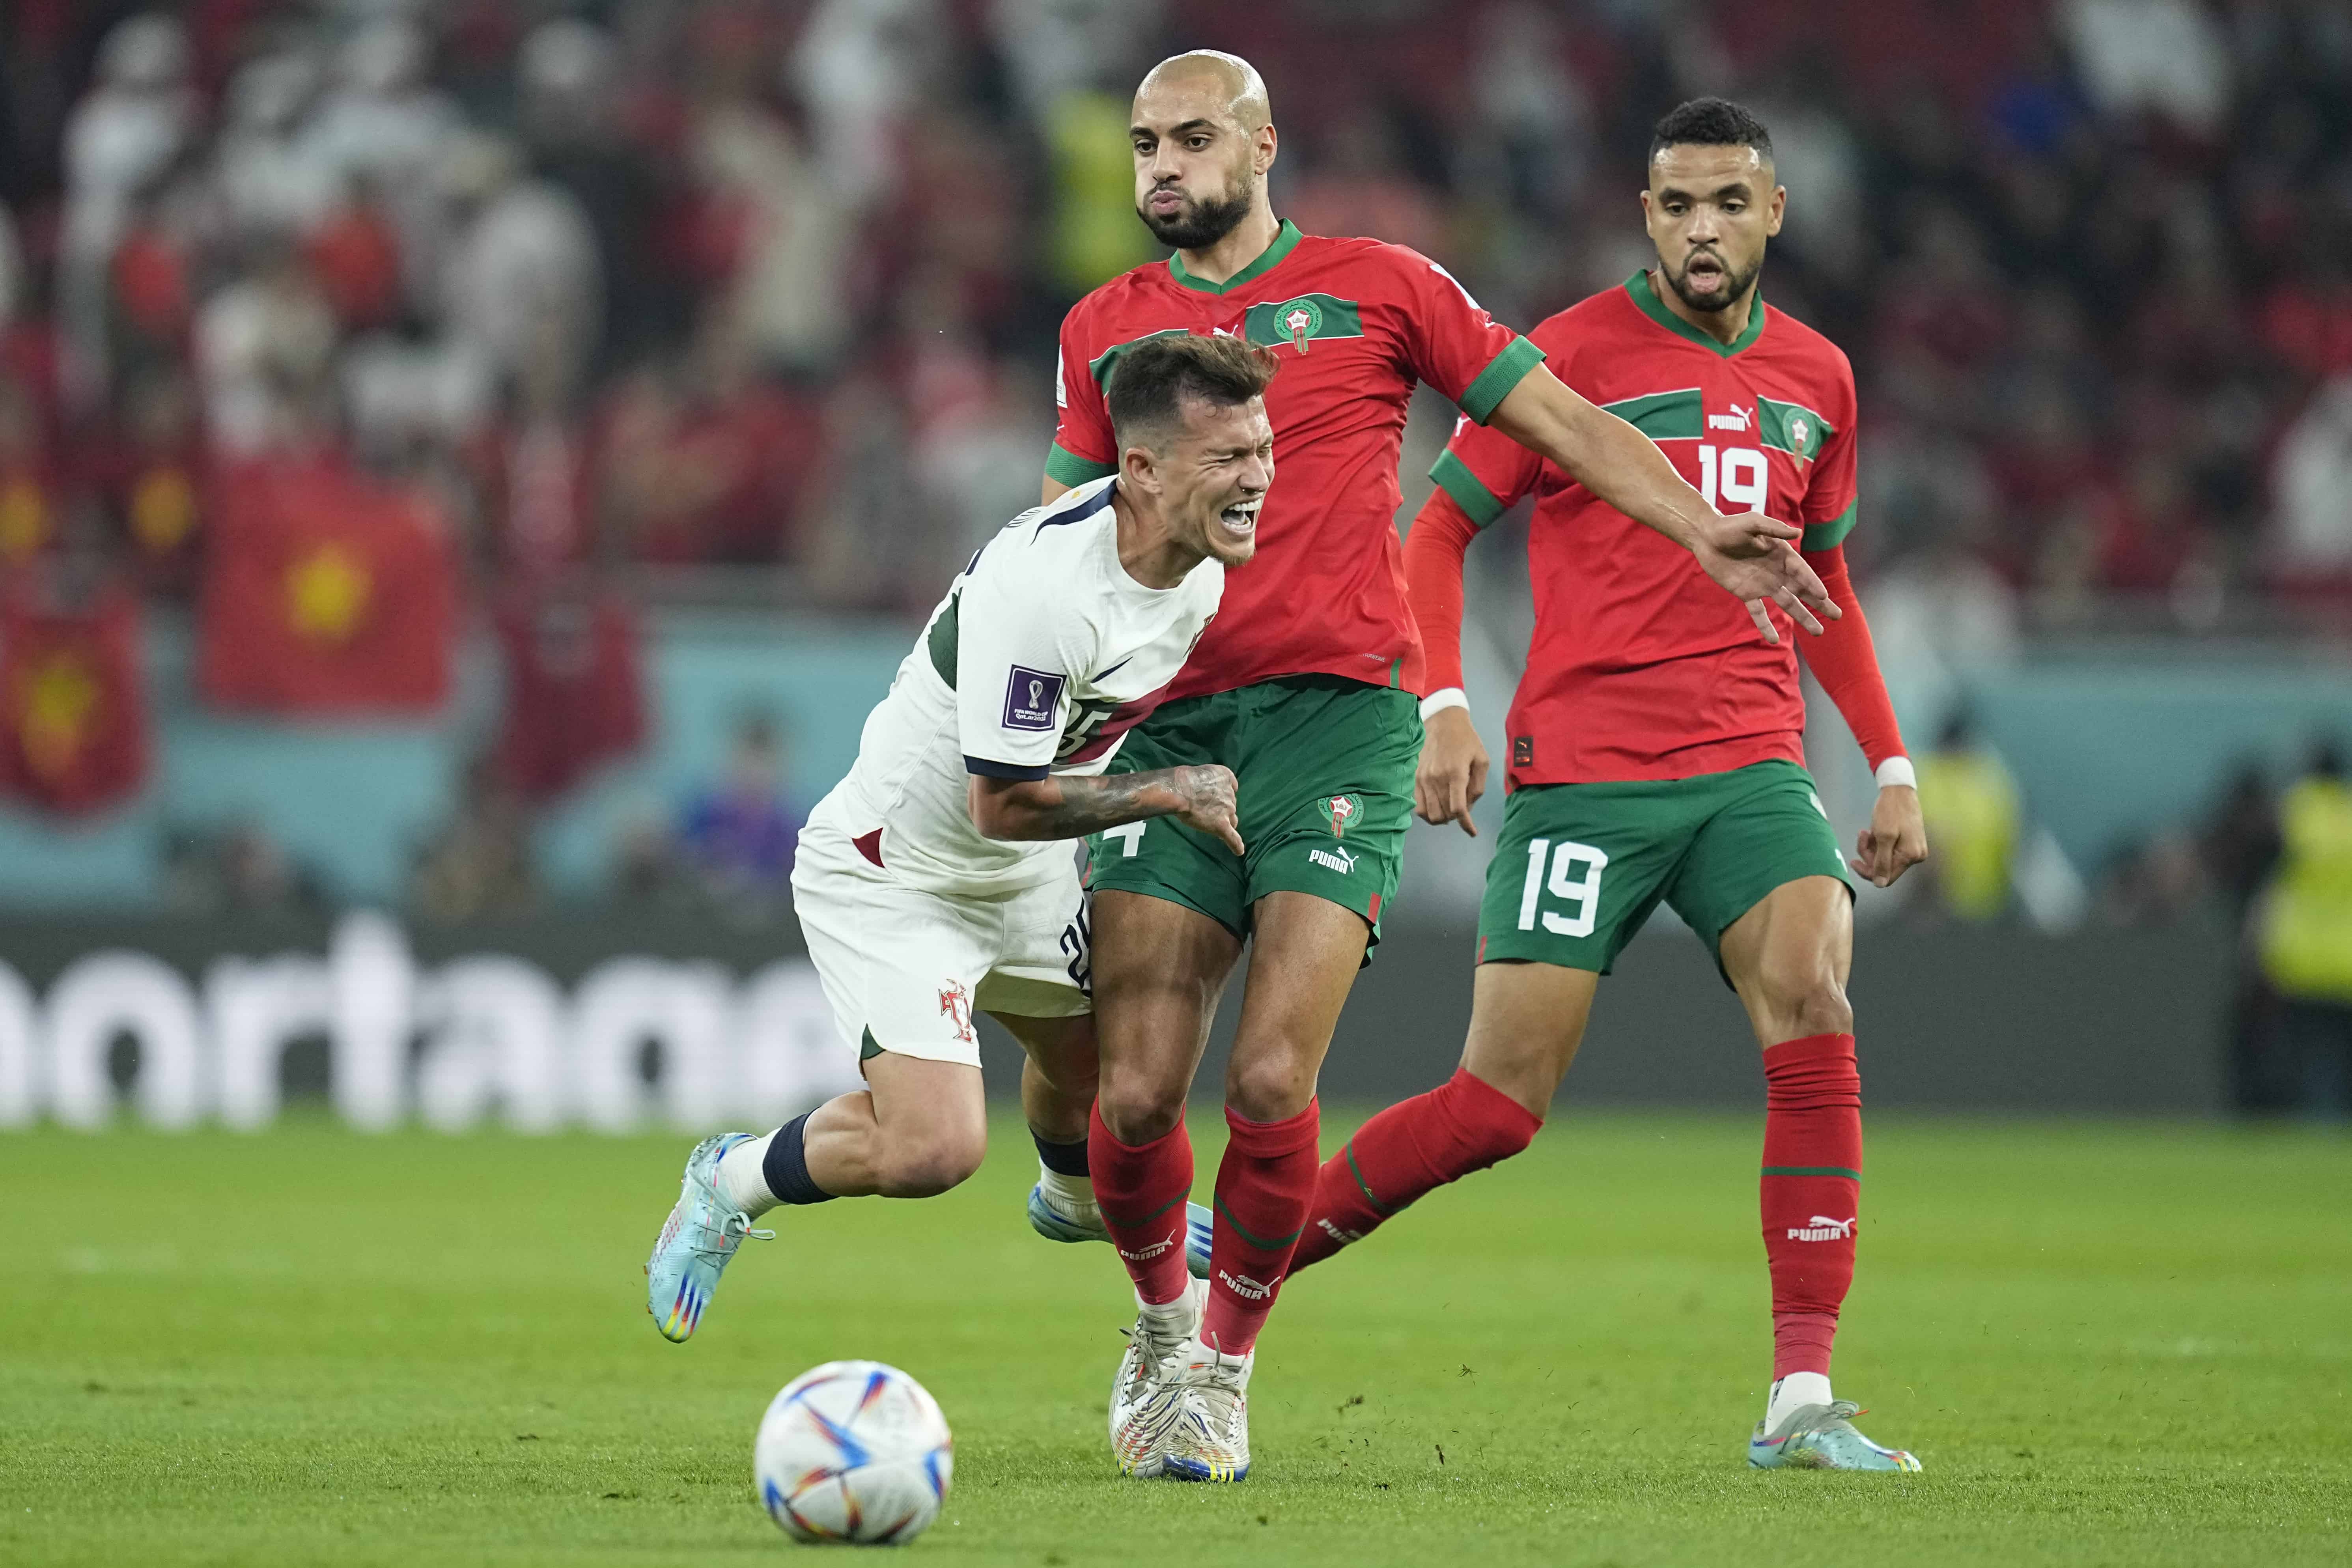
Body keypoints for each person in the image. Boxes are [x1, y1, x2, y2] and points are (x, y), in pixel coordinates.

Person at [1043, 55, 1839, 1485]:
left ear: (1264, 143)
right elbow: (1061, 528)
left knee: (1276, 1076)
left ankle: (1222, 1367)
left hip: (1339, 722)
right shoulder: (1102, 327)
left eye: (1192, 137)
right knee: (1142, 1097)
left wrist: (1699, 529)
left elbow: (1565, 422)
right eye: (1144, 144)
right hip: (1162, 724)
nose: (1162, 165)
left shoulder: (1385, 283)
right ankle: (1159, 1327)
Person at [1279, 98, 1930, 1473]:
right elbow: (1437, 526)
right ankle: (1252, 1264)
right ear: (1647, 216)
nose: (1702, 229)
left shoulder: (1821, 374)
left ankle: (1800, 1392)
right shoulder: (1566, 356)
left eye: (1728, 203)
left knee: (1816, 987)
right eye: (1676, 204)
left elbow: (1826, 585)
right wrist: (1444, 701)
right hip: (1582, 773)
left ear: (1774, 213)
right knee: (1494, 1107)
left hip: (1750, 762)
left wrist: (1886, 760)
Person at [640, 332, 1273, 1342]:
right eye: (1228, 460)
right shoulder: (1048, 593)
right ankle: (730, 1178)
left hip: (1020, 871)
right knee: (933, 1151)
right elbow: (1004, 803)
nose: (1257, 482)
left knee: (1104, 1069)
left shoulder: (1197, 572)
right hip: (900, 874)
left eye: (1261, 452)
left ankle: (1075, 1202)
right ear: (1142, 469)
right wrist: (1173, 791)